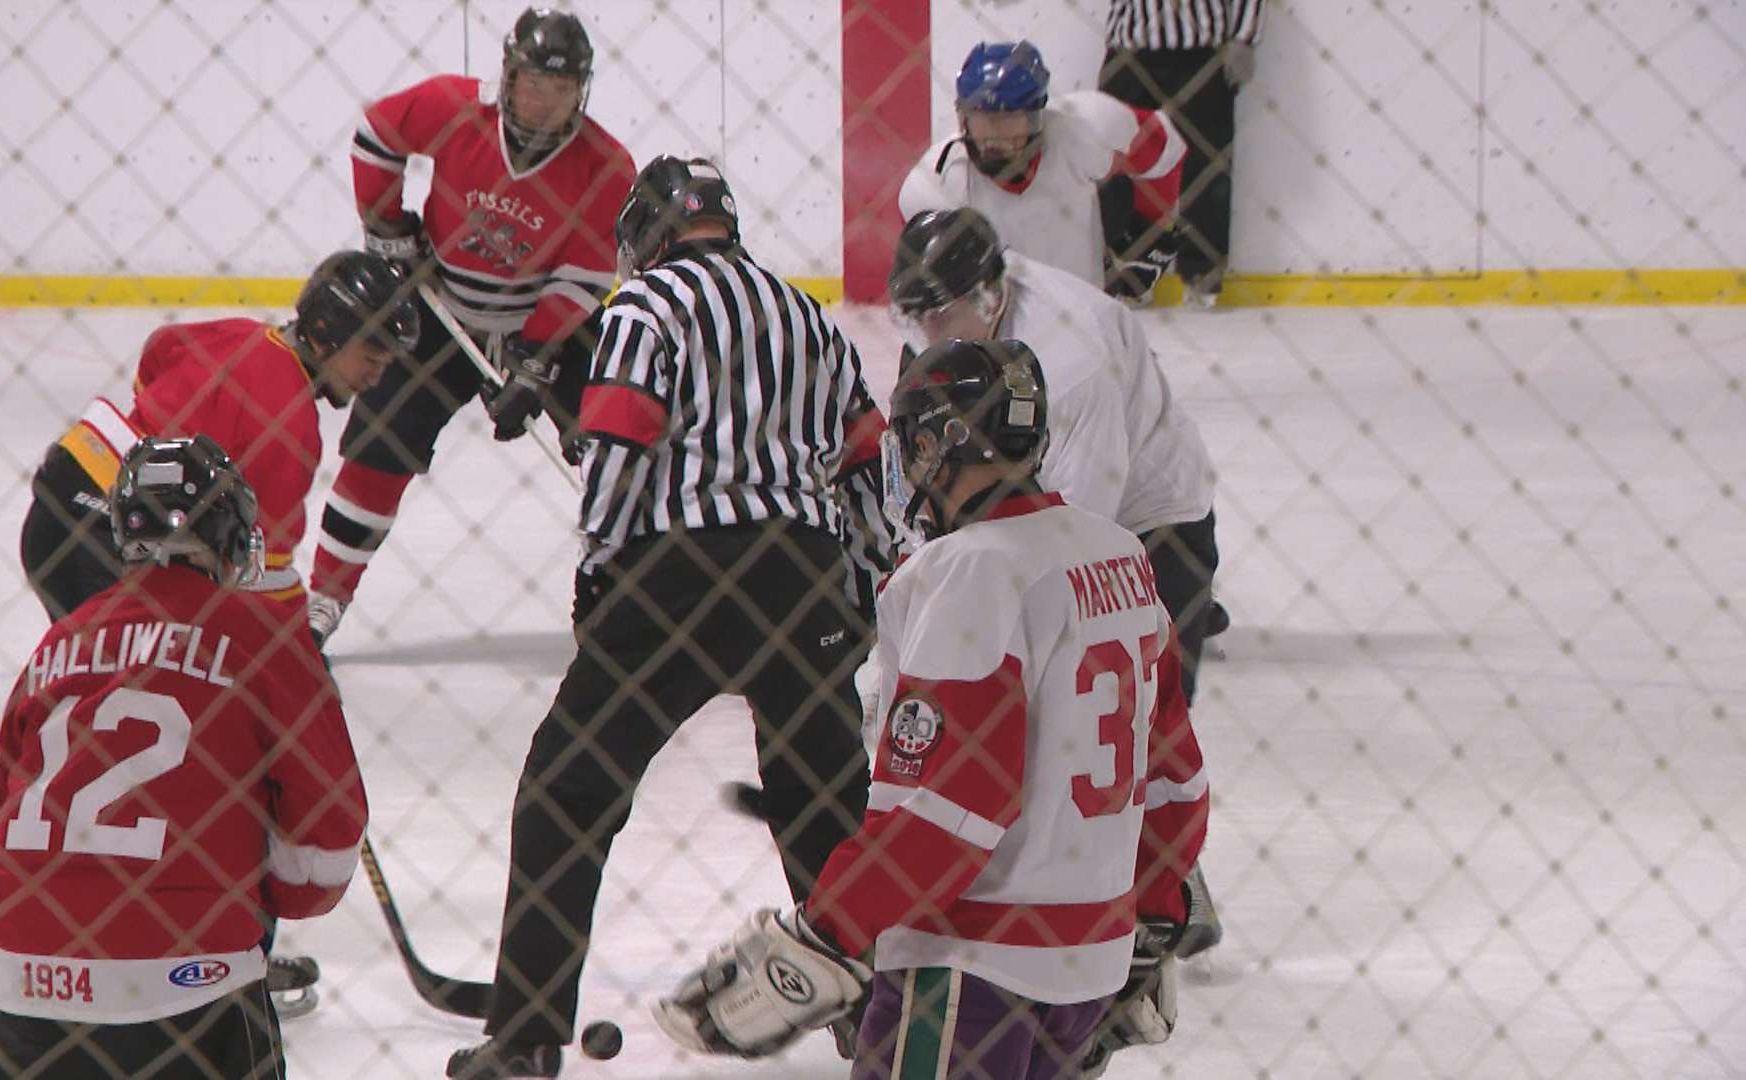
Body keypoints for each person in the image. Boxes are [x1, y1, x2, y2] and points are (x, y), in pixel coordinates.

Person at [444, 155, 897, 1079]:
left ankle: (527, 1036)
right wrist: (860, 584)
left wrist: (600, 573)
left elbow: (615, 453)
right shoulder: (808, 316)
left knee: (567, 794)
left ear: (645, 237)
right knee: (828, 808)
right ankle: (879, 1021)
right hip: (805, 576)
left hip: (680, 579)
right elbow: (865, 466)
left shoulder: (643, 310)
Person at [652, 338, 1210, 1079]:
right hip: (1090, 969)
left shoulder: (970, 573)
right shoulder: (1114, 553)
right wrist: (1157, 916)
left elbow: (950, 812)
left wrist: (826, 933)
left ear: (936, 444)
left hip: (973, 969)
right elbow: (1174, 781)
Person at [0, 435, 368, 1079]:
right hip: (181, 987)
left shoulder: (58, 643)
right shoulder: (262, 636)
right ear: (231, 537)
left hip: (15, 985)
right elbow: (321, 861)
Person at [888, 208, 1225, 957]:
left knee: (1121, 705)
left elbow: (1073, 543)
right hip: (1062, 512)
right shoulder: (955, 331)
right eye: (917, 314)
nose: (928, 332)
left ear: (991, 294)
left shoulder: (1071, 368)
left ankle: (1167, 887)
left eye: (942, 314)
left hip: (1152, 521)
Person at [308, 6, 637, 645]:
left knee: (612, 442)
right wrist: (389, 228)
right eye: (534, 85)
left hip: (544, 327)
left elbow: (585, 278)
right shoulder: (456, 110)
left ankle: (629, 591)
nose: (544, 103)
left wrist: (535, 361)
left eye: (562, 90)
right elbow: (377, 136)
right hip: (441, 311)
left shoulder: (606, 165)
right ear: (508, 77)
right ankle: (325, 595)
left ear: (583, 93)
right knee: (378, 447)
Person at [20, 250, 419, 622]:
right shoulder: (293, 427)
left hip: (60, 494)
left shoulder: (239, 332)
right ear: (325, 331)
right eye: (370, 358)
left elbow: (159, 352)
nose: (376, 376)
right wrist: (302, 650)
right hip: (108, 544)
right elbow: (265, 570)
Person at [899, 40, 1186, 304]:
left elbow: (1165, 149)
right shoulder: (933, 185)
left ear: (1038, 114)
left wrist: (1153, 230)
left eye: (1010, 118)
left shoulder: (1087, 130)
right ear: (963, 118)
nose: (994, 135)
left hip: (1089, 327)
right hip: (993, 343)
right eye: (982, 118)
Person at [1098, 0, 1267, 308]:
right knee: (1115, 160)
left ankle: (1202, 273)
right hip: (1129, 42)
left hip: (1202, 46)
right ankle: (1130, 272)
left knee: (1207, 162)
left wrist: (1244, 38)